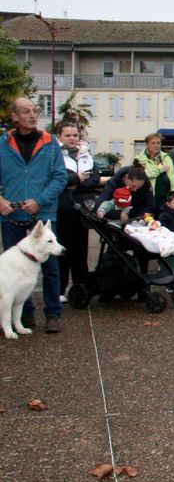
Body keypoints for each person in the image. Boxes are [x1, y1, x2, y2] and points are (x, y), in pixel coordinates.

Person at [0, 97, 67, 333]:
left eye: (35, 110)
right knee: (13, 270)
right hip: (11, 217)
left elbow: (60, 177)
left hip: (44, 215)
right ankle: (23, 316)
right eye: (26, 111)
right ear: (15, 116)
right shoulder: (3, 143)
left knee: (50, 268)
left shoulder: (50, 144)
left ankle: (52, 314)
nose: (32, 115)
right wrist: (0, 201)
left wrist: (39, 201)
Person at [56, 121, 99, 303]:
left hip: (82, 210)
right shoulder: (54, 155)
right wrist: (76, 178)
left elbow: (95, 178)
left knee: (80, 252)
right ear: (60, 137)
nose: (72, 138)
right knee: (61, 252)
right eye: (68, 135)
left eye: (75, 135)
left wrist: (77, 182)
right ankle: (59, 289)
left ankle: (80, 287)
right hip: (62, 209)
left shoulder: (86, 155)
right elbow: (56, 179)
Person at [135, 132, 174, 210]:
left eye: (158, 143)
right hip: (146, 199)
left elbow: (172, 177)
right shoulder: (139, 159)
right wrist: (160, 169)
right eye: (153, 143)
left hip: (165, 198)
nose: (156, 145)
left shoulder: (166, 157)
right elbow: (144, 174)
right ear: (147, 144)